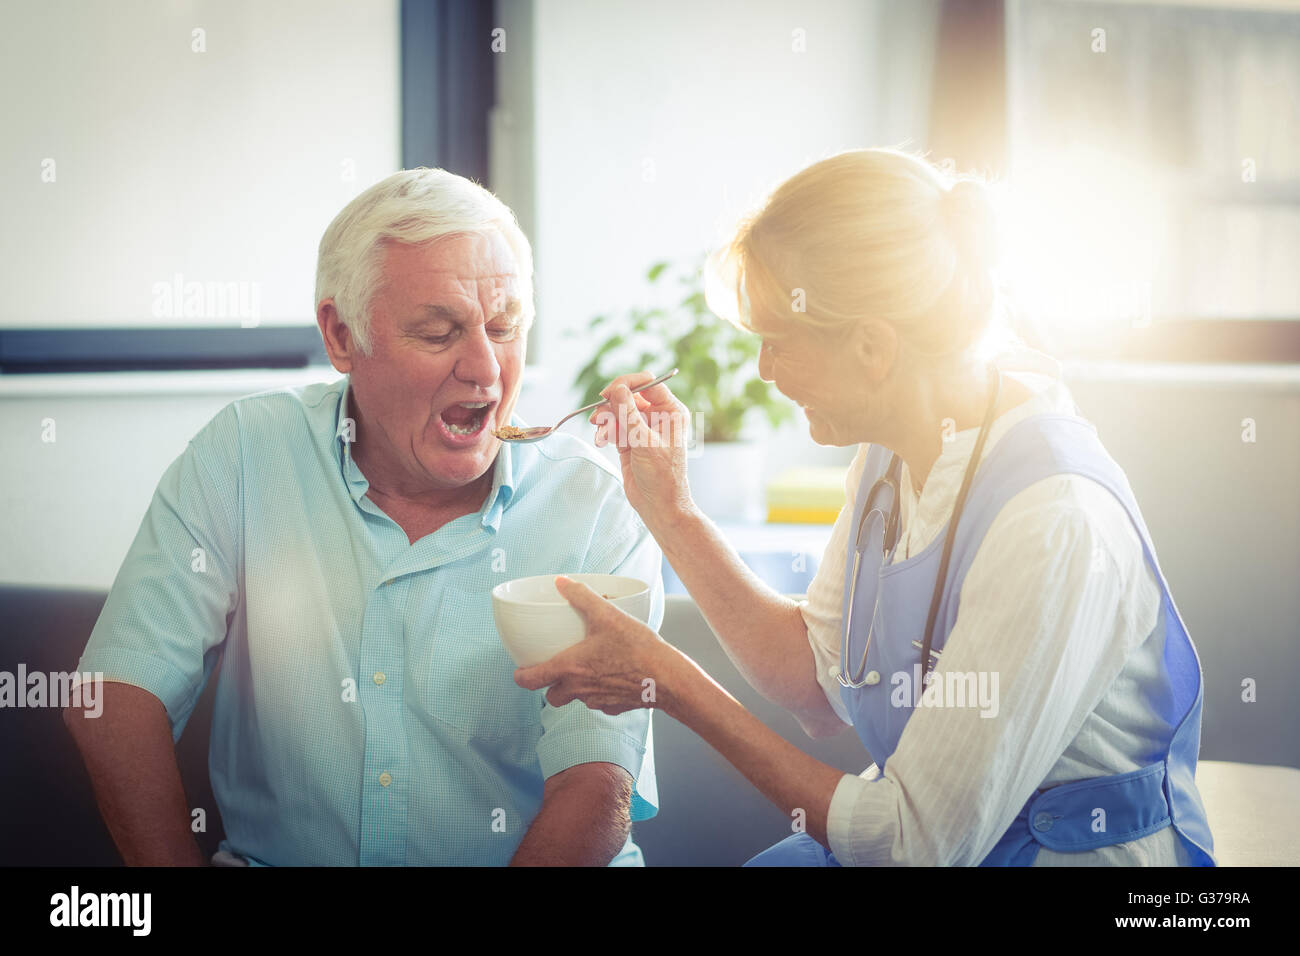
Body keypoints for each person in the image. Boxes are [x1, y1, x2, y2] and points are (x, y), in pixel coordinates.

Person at [514, 147, 1216, 866]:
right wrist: (670, 509)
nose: (762, 370)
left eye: (777, 342)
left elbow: (911, 847)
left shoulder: (1054, 521)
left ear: (873, 348)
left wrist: (673, 684)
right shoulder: (891, 459)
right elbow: (814, 686)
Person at [63, 168, 662, 866]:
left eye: (504, 328)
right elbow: (114, 696)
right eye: (439, 333)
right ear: (341, 336)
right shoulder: (247, 453)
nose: (486, 372)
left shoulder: (593, 504)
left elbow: (596, 783)